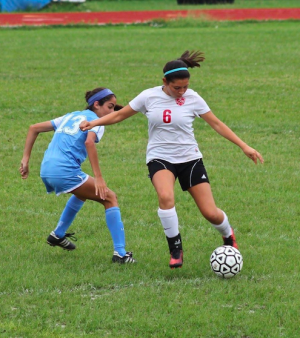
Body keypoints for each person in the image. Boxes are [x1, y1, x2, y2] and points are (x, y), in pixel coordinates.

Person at [80, 51, 264, 269]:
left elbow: (217, 124)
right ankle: (176, 249)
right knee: (166, 197)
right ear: (164, 82)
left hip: (190, 159)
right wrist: (93, 123)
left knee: (210, 212)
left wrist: (244, 146)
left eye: (185, 87)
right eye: (177, 88)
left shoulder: (193, 98)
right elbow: (120, 115)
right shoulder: (148, 96)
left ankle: (228, 236)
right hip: (160, 158)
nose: (182, 92)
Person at [19, 87, 136, 264]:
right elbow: (89, 142)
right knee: (110, 198)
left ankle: (57, 235)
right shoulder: (96, 121)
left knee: (82, 193)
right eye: (110, 107)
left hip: (47, 168)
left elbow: (33, 128)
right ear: (97, 104)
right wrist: (99, 178)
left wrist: (25, 159)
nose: (111, 112)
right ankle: (120, 254)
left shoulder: (71, 115)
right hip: (63, 171)